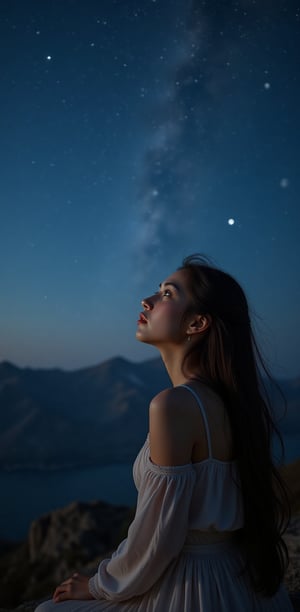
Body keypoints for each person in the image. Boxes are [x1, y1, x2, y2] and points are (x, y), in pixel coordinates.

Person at [35, 254, 293, 611]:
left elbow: (159, 538)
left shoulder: (173, 405)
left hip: (191, 588)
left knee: (49, 609)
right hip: (241, 579)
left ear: (197, 323)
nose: (148, 300)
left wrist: (99, 584)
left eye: (168, 294)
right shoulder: (233, 402)